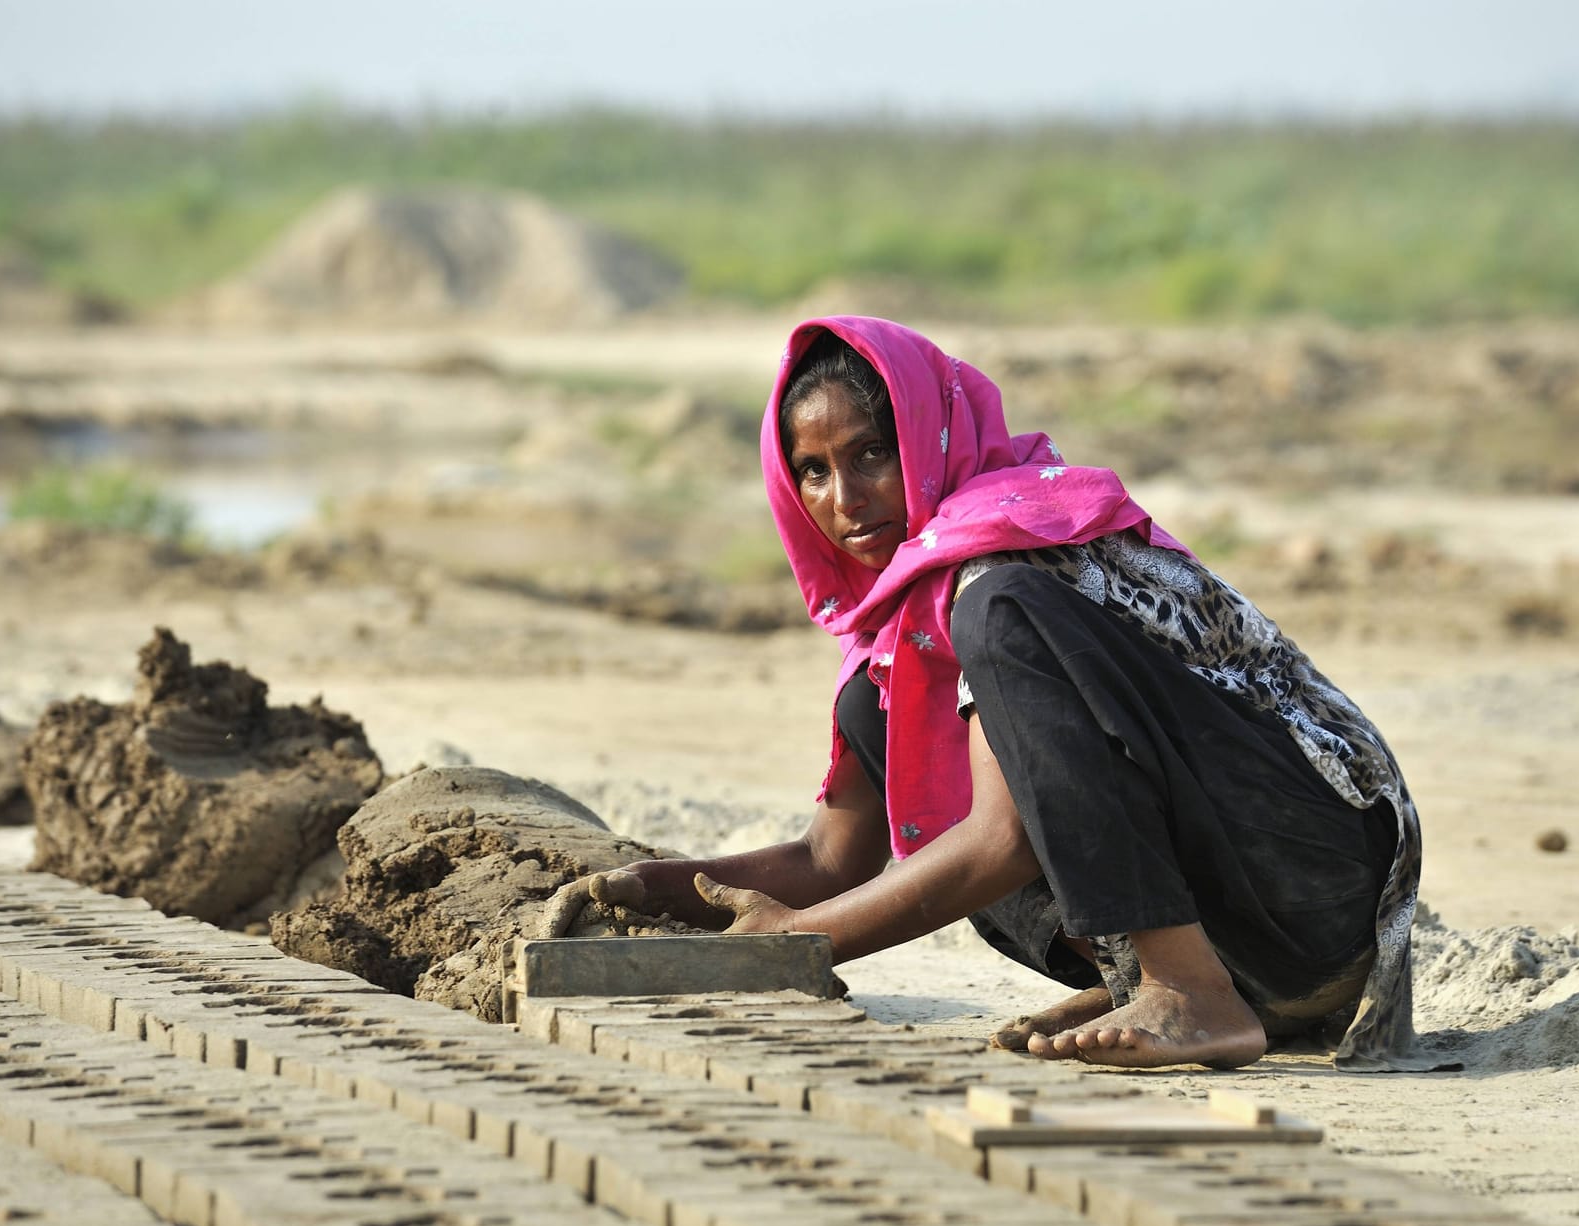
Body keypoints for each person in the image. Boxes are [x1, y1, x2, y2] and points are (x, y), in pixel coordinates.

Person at [559, 316, 1426, 1071]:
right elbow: (833, 863)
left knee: (995, 651)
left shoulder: (1008, 560)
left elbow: (1002, 843)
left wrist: (792, 943)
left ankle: (1187, 985)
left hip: (1317, 871)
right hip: (1259, 928)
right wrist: (646, 887)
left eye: (872, 453)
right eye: (813, 472)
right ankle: (1164, 978)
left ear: (931, 437)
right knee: (896, 733)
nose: (846, 499)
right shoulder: (901, 630)